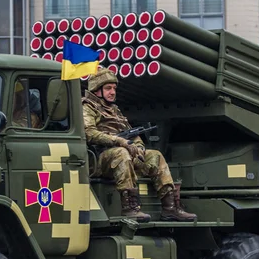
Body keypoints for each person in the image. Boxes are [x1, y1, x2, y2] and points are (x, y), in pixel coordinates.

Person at [82, 68, 197, 223]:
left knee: (155, 156)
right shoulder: (87, 107)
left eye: (114, 88)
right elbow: (89, 133)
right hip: (98, 159)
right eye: (108, 88)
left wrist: (138, 146)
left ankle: (170, 207)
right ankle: (130, 208)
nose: (112, 92)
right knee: (121, 154)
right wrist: (118, 141)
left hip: (120, 156)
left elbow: (131, 133)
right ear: (97, 90)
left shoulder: (114, 110)